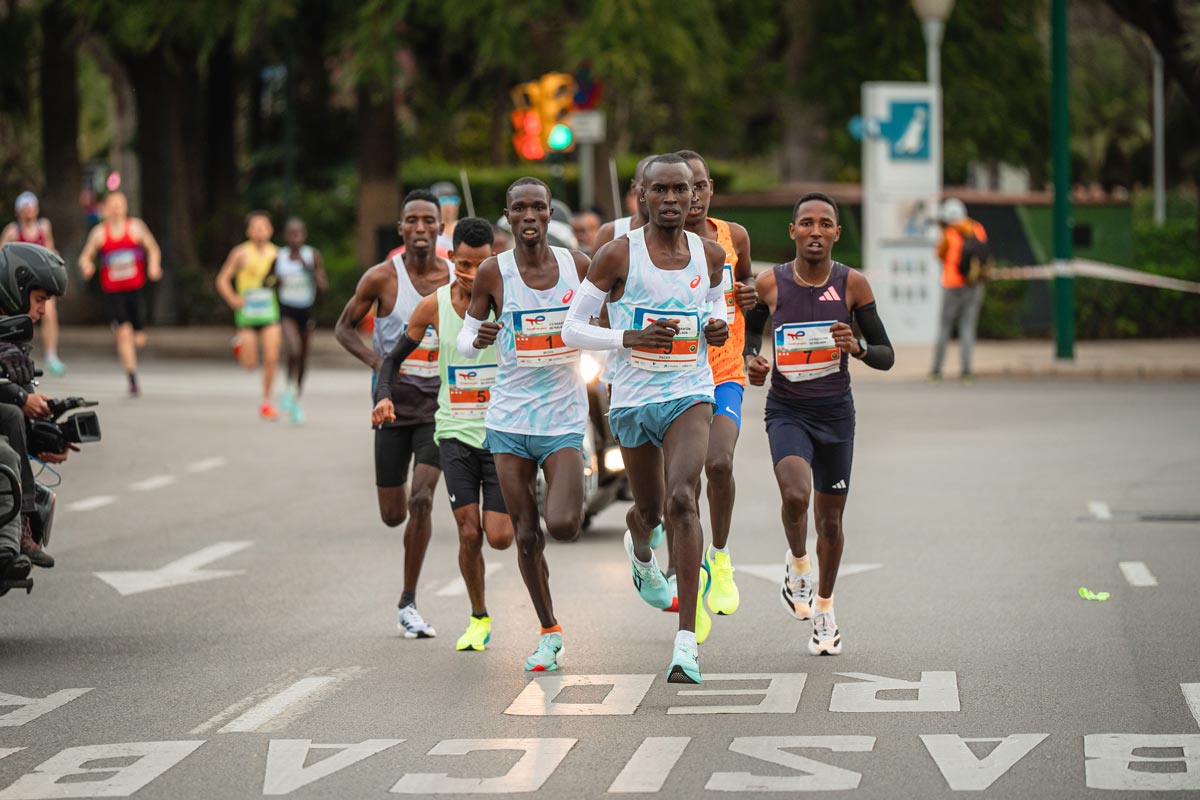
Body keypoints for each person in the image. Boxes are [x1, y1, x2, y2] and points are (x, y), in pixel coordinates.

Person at [562, 153, 730, 685]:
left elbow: (717, 307)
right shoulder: (617, 254)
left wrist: (718, 326)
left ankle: (685, 644)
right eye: (660, 190)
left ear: (695, 195)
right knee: (651, 512)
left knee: (683, 499)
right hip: (633, 397)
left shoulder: (710, 255)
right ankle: (640, 550)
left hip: (689, 391)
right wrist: (627, 337)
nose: (672, 199)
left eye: (681, 189)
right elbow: (572, 328)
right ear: (642, 195)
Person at [744, 192, 895, 656]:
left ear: (836, 233)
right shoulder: (770, 283)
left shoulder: (853, 285)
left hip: (835, 415)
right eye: (806, 223)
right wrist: (753, 361)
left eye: (825, 224)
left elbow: (886, 354)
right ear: (793, 231)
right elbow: (749, 337)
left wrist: (858, 348)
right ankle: (797, 565)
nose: (815, 231)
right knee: (795, 494)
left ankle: (825, 609)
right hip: (787, 409)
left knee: (830, 521)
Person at [456, 178, 589, 672]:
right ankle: (549, 631)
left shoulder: (578, 266)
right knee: (527, 534)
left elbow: (606, 315)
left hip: (562, 417)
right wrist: (479, 337)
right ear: (508, 216)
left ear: (550, 213)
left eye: (538, 207)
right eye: (519, 209)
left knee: (564, 525)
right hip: (509, 420)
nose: (529, 216)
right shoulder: (494, 271)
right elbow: (467, 337)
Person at [373, 218, 513, 652]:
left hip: (501, 434)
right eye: (464, 265)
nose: (471, 274)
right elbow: (392, 358)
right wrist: (383, 395)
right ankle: (478, 617)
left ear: (494, 261)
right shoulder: (432, 306)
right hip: (453, 432)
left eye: (481, 265)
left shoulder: (510, 302)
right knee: (468, 532)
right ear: (452, 259)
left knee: (500, 537)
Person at [336, 189, 451, 639]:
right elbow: (343, 328)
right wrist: (378, 362)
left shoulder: (455, 278)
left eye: (428, 220)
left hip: (439, 405)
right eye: (412, 221)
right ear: (400, 228)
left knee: (421, 499)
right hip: (391, 405)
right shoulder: (382, 278)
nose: (421, 228)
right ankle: (405, 525)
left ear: (441, 227)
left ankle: (408, 602)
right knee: (392, 514)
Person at [676, 149, 757, 618]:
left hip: (724, 371)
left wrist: (750, 296)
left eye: (701, 185)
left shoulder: (734, 236)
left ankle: (720, 557)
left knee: (719, 463)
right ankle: (693, 583)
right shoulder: (654, 246)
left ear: (710, 189)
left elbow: (748, 289)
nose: (694, 196)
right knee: (681, 487)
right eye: (685, 187)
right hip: (675, 376)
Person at [0, 242, 71, 574]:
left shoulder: (13, 336)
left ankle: (21, 529)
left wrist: (46, 436)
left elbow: (22, 400)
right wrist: (19, 398)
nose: (43, 309)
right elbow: (17, 397)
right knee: (5, 453)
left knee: (14, 416)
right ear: (16, 288)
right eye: (40, 299)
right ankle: (9, 545)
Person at [78, 191, 162, 397]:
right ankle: (132, 377)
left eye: (120, 204)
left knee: (139, 338)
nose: (116, 208)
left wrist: (154, 265)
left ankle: (133, 339)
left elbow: (153, 248)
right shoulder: (100, 232)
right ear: (106, 208)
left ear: (125, 207)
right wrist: (87, 266)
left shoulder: (136, 227)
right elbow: (85, 256)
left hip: (135, 289)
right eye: (112, 204)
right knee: (124, 333)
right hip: (113, 291)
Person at [216, 212, 282, 419]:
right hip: (247, 315)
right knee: (250, 364)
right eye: (255, 227)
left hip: (270, 313)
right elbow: (222, 280)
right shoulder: (240, 253)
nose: (260, 230)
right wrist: (232, 299)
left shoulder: (277, 254)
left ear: (271, 230)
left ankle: (266, 401)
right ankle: (239, 344)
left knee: (272, 357)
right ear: (248, 231)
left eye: (264, 226)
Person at [1, 192, 64, 375]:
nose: (29, 211)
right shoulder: (13, 231)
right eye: (25, 208)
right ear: (18, 211)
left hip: (40, 283)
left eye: (31, 207)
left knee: (49, 313)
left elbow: (50, 249)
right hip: (20, 285)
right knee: (16, 316)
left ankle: (51, 355)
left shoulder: (44, 227)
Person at [275, 218, 329, 424]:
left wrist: (310, 271)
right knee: (294, 349)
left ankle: (295, 397)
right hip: (287, 310)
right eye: (291, 233)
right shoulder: (279, 256)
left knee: (303, 357)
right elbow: (267, 281)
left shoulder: (312, 255)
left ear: (304, 236)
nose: (295, 237)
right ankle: (289, 388)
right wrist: (276, 281)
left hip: (306, 311)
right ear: (286, 236)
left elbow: (323, 287)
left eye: (298, 233)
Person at [930, 198, 988, 381]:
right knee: (967, 328)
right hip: (974, 284)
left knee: (944, 328)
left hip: (952, 285)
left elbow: (939, 254)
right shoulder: (978, 228)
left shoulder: (949, 233)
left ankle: (936, 370)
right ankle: (966, 371)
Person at [592, 155, 655, 252]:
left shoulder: (680, 235)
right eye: (645, 185)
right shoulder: (611, 232)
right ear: (633, 187)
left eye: (661, 188)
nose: (652, 193)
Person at [430, 181, 461, 254]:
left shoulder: (466, 229)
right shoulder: (429, 231)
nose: (449, 205)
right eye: (443, 200)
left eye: (453, 200)